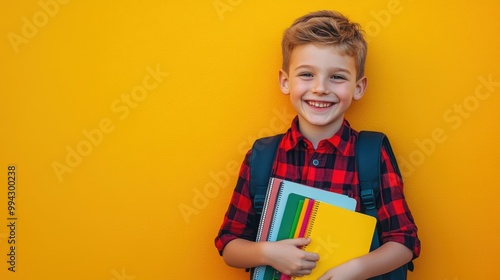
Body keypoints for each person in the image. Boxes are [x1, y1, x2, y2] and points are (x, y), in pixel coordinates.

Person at [214, 10, 420, 280]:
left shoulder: (371, 154)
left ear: (358, 87)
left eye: (337, 77)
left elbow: (404, 241)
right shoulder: (262, 157)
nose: (321, 88)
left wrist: (354, 270)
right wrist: (267, 253)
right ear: (285, 82)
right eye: (307, 74)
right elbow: (229, 243)